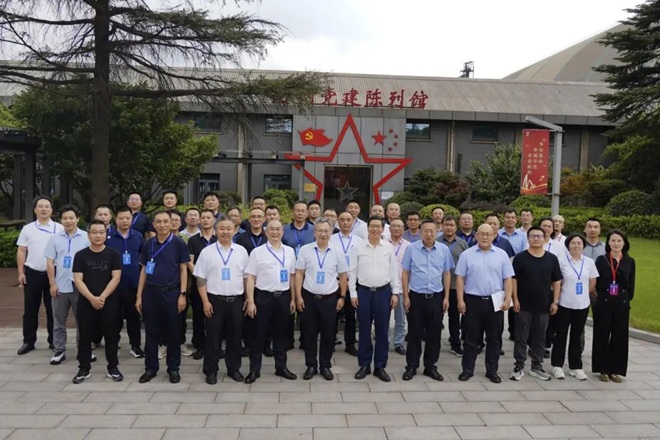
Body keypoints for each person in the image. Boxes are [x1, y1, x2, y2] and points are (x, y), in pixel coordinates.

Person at [136, 211, 190, 384]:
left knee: (173, 332)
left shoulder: (178, 243)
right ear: (153, 224)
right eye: (158, 222)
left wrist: (182, 294)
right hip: (151, 293)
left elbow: (183, 269)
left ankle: (173, 368)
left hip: (172, 293)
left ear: (171, 223)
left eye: (166, 221)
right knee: (151, 332)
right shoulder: (148, 244)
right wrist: (139, 296)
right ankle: (150, 368)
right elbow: (144, 270)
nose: (162, 225)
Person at [194, 217, 250, 385]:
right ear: (216, 231)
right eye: (222, 228)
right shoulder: (207, 252)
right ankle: (211, 370)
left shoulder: (241, 251)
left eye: (229, 228)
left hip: (236, 300)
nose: (225, 231)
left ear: (234, 230)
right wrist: (205, 301)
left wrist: (248, 298)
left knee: (235, 337)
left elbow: (246, 278)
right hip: (214, 300)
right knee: (213, 337)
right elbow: (200, 279)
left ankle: (234, 368)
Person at [456, 224, 514, 383]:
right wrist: (460, 300)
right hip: (473, 301)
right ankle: (467, 369)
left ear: (494, 235)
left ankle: (492, 370)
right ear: (476, 236)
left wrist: (508, 299)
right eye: (481, 234)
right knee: (470, 338)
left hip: (495, 301)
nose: (485, 237)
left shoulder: (501, 255)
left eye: (488, 234)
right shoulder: (467, 255)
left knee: (494, 338)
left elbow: (508, 279)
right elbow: (460, 278)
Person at [349, 216, 402, 382]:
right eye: (372, 226)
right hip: (363, 292)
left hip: (383, 292)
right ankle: (364, 364)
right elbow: (352, 272)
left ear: (383, 229)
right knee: (364, 329)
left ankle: (380, 365)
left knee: (382, 330)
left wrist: (395, 292)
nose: (375, 229)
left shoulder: (388, 247)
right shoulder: (358, 247)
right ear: (367, 228)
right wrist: (353, 293)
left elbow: (393, 271)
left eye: (378, 226)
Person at [244, 220, 297, 383]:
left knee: (281, 335)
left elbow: (292, 276)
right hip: (263, 297)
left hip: (283, 297)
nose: (275, 232)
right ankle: (254, 370)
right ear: (266, 232)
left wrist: (293, 299)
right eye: (271, 229)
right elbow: (250, 277)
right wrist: (250, 301)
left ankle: (281, 367)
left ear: (283, 232)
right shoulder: (257, 252)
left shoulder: (289, 251)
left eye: (278, 229)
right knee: (257, 335)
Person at [295, 219, 347, 381]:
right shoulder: (305, 250)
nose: (323, 234)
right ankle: (311, 365)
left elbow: (343, 275)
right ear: (314, 232)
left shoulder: (337, 251)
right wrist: (298, 296)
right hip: (309, 298)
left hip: (330, 299)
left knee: (328, 334)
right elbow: (299, 273)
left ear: (330, 233)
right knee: (309, 334)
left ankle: (325, 365)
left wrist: (342, 296)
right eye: (320, 231)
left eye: (326, 231)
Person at [71, 220, 122, 384]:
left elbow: (116, 278)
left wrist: (102, 297)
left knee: (111, 336)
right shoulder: (81, 255)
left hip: (108, 302)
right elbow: (78, 280)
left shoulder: (113, 254)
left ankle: (113, 367)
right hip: (86, 302)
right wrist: (92, 298)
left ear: (106, 234)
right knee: (85, 337)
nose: (98, 235)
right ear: (88, 234)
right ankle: (84, 368)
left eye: (101, 232)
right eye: (94, 232)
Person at [401, 220, 453, 381]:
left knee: (434, 333)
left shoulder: (443, 250)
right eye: (425, 231)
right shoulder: (411, 248)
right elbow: (405, 273)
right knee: (414, 333)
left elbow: (446, 274)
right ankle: (411, 366)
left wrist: (446, 297)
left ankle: (430, 366)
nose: (429, 234)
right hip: (416, 297)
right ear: (420, 232)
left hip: (436, 297)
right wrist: (406, 296)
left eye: (432, 231)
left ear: (437, 232)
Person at [510, 226, 562, 382]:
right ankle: (519, 366)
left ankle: (537, 366)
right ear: (528, 238)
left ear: (544, 238)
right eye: (533, 236)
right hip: (523, 305)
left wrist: (555, 301)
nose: (536, 239)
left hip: (544, 305)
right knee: (521, 337)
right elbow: (513, 280)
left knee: (540, 337)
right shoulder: (520, 258)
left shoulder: (551, 259)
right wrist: (515, 299)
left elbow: (556, 281)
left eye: (539, 236)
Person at [16, 196, 64, 355]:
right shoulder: (28, 229)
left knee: (53, 309)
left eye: (47, 206)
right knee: (30, 309)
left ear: (51, 210)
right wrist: (21, 272)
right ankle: (28, 341)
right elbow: (22, 250)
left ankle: (54, 341)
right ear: (35, 210)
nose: (44, 209)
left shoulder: (59, 228)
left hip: (54, 274)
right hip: (32, 273)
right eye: (40, 206)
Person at [44, 205, 90, 365]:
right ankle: (59, 350)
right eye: (65, 218)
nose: (68, 221)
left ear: (78, 219)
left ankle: (83, 349)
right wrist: (52, 284)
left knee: (82, 320)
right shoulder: (54, 239)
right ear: (61, 220)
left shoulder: (86, 237)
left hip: (80, 286)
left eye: (71, 218)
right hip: (60, 285)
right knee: (58, 320)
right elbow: (50, 262)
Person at [551, 234, 598, 381]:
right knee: (561, 335)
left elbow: (592, 281)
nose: (576, 246)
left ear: (583, 246)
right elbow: (557, 281)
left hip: (582, 304)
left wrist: (584, 293)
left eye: (579, 243)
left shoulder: (589, 262)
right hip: (565, 303)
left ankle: (576, 366)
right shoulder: (561, 261)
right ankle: (557, 365)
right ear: (568, 245)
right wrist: (556, 300)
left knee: (577, 336)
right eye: (573, 243)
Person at [592, 230, 635, 383]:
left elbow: (631, 284)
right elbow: (596, 281)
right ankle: (602, 369)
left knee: (620, 335)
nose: (616, 244)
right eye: (613, 240)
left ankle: (616, 370)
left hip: (622, 302)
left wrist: (626, 299)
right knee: (602, 333)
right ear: (608, 243)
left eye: (619, 241)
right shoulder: (601, 260)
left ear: (624, 243)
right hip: (604, 300)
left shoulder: (629, 261)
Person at [106, 206, 145, 359]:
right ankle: (113, 345)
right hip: (113, 285)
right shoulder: (108, 236)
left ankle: (135, 346)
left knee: (134, 317)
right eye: (121, 218)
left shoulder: (138, 236)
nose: (124, 221)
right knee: (114, 318)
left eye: (127, 218)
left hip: (133, 284)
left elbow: (143, 259)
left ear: (131, 219)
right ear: (115, 219)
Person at [329, 211, 364, 356]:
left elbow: (361, 262)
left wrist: (352, 281)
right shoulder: (331, 239)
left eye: (348, 220)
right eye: (342, 219)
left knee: (351, 315)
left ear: (352, 222)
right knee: (333, 314)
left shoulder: (359, 241)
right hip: (335, 283)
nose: (345, 222)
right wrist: (337, 279)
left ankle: (350, 343)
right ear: (338, 221)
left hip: (353, 283)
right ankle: (330, 342)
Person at [187, 209, 218, 360]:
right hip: (198, 283)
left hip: (216, 284)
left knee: (215, 315)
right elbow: (189, 262)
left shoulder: (219, 238)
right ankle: (199, 345)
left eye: (208, 217)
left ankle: (215, 345)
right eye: (203, 218)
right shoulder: (193, 240)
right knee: (199, 315)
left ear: (214, 220)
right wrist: (200, 276)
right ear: (199, 220)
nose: (205, 220)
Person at [436, 215, 469, 356]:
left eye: (451, 225)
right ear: (442, 226)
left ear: (456, 227)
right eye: (446, 225)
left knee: (454, 317)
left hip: (456, 286)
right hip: (438, 286)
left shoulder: (462, 244)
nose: (449, 227)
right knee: (436, 317)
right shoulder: (436, 242)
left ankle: (455, 343)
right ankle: (434, 343)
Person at [388, 218, 410, 356]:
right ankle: (384, 341)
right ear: (389, 228)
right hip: (385, 286)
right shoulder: (383, 244)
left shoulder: (409, 246)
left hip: (402, 287)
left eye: (399, 226)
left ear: (404, 229)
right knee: (383, 318)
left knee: (401, 318)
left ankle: (398, 343)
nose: (396, 229)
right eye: (394, 226)